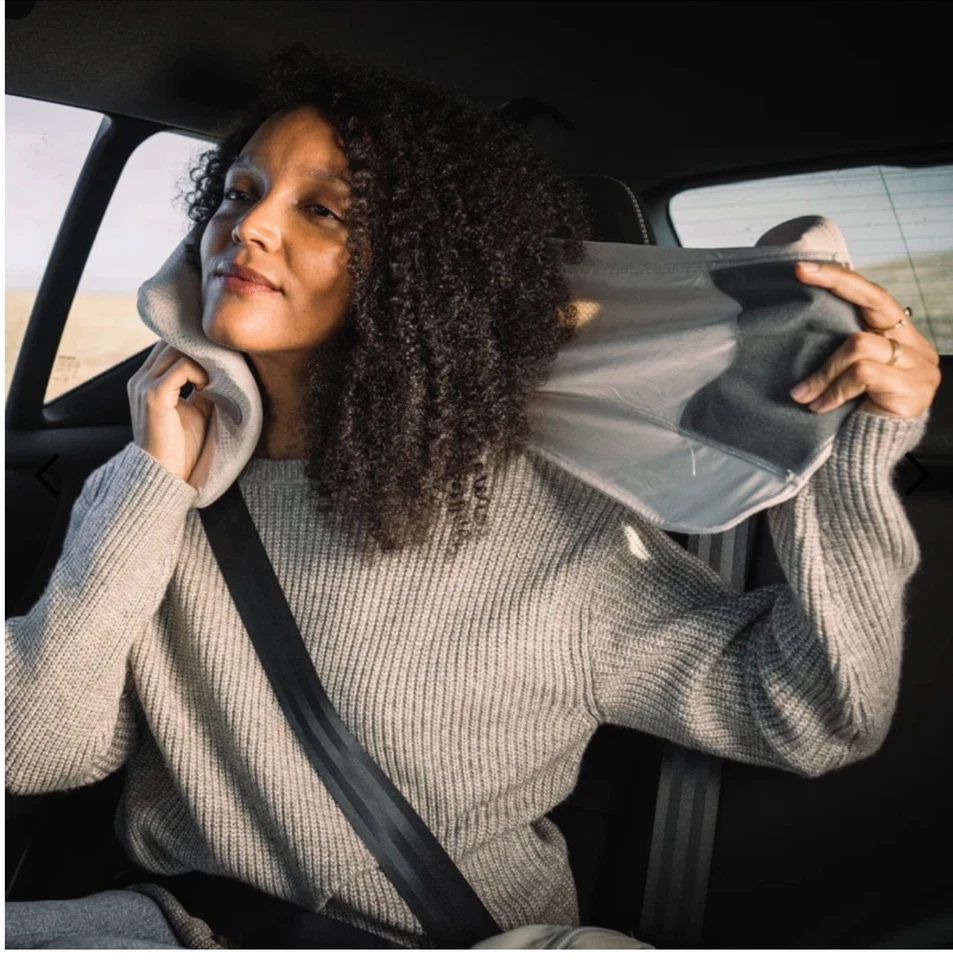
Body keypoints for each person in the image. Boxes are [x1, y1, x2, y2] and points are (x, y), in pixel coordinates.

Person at [5, 43, 941, 950]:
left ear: (422, 269)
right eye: (239, 191)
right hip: (161, 926)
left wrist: (852, 459)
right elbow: (37, 749)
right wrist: (149, 484)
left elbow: (814, 716)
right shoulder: (150, 486)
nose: (246, 226)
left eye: (325, 211)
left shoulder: (539, 524)